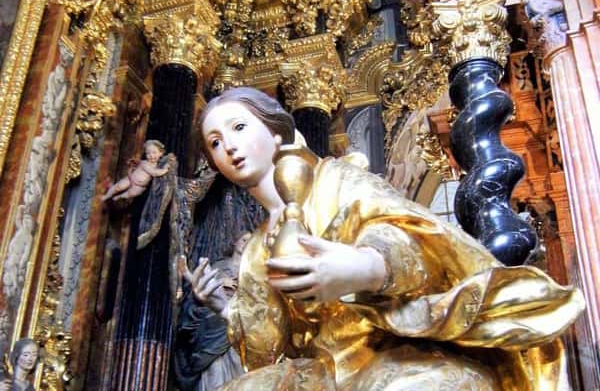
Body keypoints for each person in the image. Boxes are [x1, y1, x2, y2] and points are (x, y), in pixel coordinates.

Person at [181, 86, 584, 390]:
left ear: (275, 134)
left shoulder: (335, 180)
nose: (229, 146)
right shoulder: (256, 248)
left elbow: (402, 233)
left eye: (238, 127)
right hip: (322, 373)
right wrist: (225, 307)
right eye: (215, 142)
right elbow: (266, 350)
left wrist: (361, 268)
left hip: (391, 350)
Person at [101, 139, 170, 201]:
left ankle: (119, 196)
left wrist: (165, 168)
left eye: (154, 153)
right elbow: (154, 173)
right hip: (131, 179)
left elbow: (157, 171)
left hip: (140, 186)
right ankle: (107, 196)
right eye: (148, 153)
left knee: (131, 194)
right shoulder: (145, 163)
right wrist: (165, 170)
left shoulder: (158, 165)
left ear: (161, 153)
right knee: (118, 187)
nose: (151, 155)